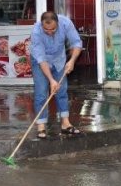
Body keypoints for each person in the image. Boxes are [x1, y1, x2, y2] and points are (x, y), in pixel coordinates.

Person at [30, 11, 83, 139]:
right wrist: (51, 80)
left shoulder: (65, 23)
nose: (49, 32)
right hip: (40, 61)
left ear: (58, 23)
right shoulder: (36, 32)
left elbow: (77, 43)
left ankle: (65, 123)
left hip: (59, 59)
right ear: (41, 25)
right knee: (42, 92)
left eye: (53, 29)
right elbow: (41, 59)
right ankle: (41, 125)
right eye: (46, 29)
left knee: (62, 90)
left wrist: (72, 61)